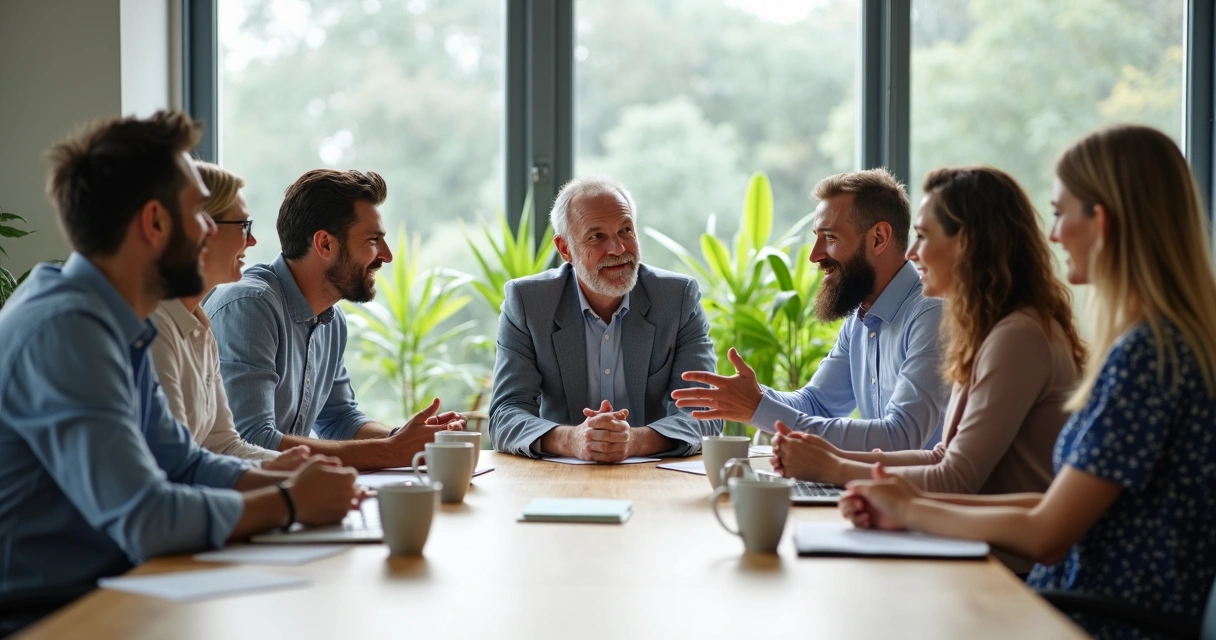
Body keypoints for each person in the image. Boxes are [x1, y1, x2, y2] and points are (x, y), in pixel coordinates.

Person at [842, 125, 1216, 638]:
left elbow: (1045, 534)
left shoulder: (1147, 356)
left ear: (1100, 221)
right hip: (1069, 603)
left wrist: (913, 508)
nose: (1054, 233)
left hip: (1088, 620)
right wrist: (909, 508)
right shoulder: (1162, 346)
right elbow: (1049, 502)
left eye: (1061, 213)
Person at [0, 112, 360, 629]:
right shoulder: (66, 329)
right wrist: (287, 503)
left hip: (113, 590)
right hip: (52, 616)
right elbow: (145, 518)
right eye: (200, 214)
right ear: (154, 223)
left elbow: (184, 462)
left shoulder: (116, 319)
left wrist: (275, 474)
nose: (210, 231)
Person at [771, 167, 1084, 572]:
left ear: (967, 244)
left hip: (1012, 572)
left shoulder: (1018, 335)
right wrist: (837, 457)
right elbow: (942, 455)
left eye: (923, 236)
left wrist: (835, 468)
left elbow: (956, 477)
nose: (912, 253)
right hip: (980, 554)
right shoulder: (993, 330)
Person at [205, 169, 465, 472]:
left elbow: (340, 419)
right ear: (325, 244)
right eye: (373, 240)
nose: (387, 255)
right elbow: (253, 442)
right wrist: (391, 451)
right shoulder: (250, 306)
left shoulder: (332, 319)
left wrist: (409, 439)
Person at [673, 168, 948, 451]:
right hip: (879, 489)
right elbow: (817, 404)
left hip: (931, 495)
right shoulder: (860, 319)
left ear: (878, 238)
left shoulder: (933, 314)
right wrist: (751, 396)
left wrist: (757, 408)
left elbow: (900, 437)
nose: (815, 255)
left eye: (829, 237)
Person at [489, 175, 719, 460]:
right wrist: (571, 440)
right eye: (596, 236)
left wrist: (633, 441)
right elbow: (505, 414)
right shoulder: (528, 303)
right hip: (558, 476)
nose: (618, 249)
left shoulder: (678, 298)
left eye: (625, 230)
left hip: (655, 476)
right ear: (565, 249)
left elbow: (706, 413)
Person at [148, 162, 307, 468]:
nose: (252, 241)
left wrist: (293, 468)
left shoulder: (198, 325)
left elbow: (223, 444)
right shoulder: (154, 327)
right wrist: (289, 487)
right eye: (243, 227)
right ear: (201, 229)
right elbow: (175, 466)